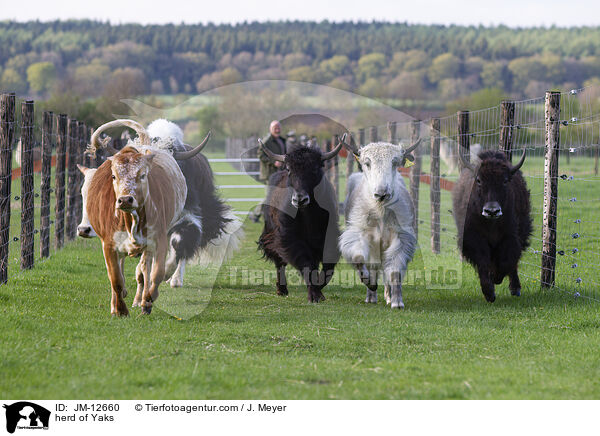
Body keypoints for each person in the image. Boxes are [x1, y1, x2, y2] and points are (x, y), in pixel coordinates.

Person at [249, 120, 287, 222]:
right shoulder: (266, 141)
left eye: (278, 128)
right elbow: (260, 155)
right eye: (275, 128)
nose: (277, 130)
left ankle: (275, 216)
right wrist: (273, 162)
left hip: (279, 173)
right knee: (269, 196)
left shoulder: (282, 140)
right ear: (270, 129)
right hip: (270, 174)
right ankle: (256, 214)